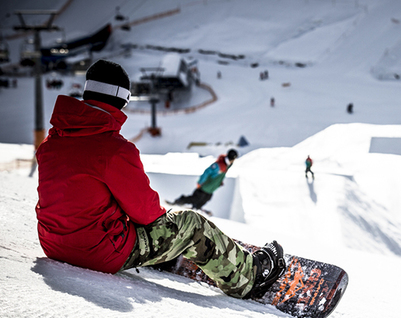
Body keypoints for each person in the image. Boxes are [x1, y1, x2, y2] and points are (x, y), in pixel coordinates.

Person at [35, 60, 285, 300]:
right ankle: (249, 277)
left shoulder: (52, 141)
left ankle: (164, 254)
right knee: (191, 223)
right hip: (98, 253)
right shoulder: (114, 149)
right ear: (123, 99)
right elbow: (147, 214)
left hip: (54, 244)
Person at [172, 148, 238, 210]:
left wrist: (219, 182)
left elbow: (221, 174)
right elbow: (207, 172)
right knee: (195, 198)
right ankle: (180, 201)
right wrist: (200, 183)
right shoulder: (218, 165)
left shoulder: (227, 165)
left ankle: (196, 208)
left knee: (206, 199)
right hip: (205, 186)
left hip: (212, 188)